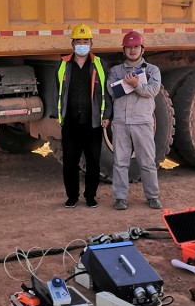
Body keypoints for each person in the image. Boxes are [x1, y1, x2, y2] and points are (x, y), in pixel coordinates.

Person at [54, 24, 112, 208]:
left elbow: (107, 92)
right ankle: (72, 197)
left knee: (93, 162)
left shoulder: (100, 65)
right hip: (70, 123)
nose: (82, 44)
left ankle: (90, 196)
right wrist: (58, 115)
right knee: (70, 163)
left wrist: (107, 114)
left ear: (91, 43)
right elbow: (57, 92)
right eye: (78, 41)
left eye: (85, 41)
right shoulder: (63, 65)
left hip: (93, 122)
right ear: (72, 44)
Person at [107, 31, 162, 210]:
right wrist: (133, 85)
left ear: (142, 49)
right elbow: (112, 90)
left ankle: (152, 196)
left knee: (147, 162)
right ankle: (120, 198)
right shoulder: (116, 71)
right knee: (120, 162)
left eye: (136, 46)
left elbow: (152, 91)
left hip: (142, 122)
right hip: (121, 123)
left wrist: (136, 84)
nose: (132, 50)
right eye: (129, 47)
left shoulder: (152, 70)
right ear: (124, 50)